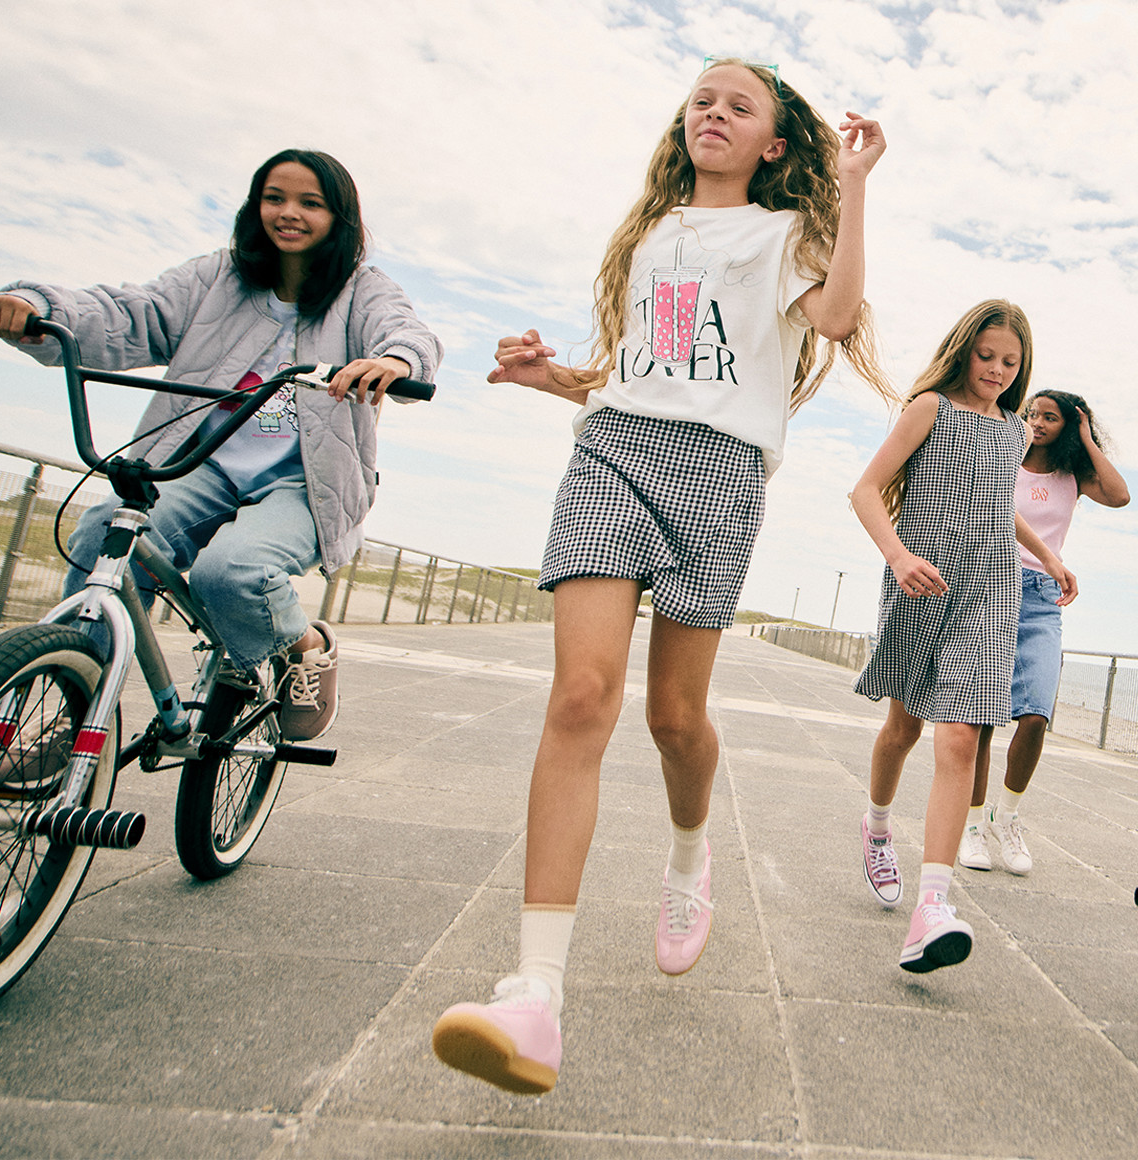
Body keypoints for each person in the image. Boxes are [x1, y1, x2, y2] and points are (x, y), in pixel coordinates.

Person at [431, 58, 895, 1094]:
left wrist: (855, 186)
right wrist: (548, 376)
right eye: (701, 101)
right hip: (613, 450)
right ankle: (533, 994)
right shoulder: (648, 236)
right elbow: (640, 368)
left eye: (739, 106)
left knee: (672, 717)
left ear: (774, 144)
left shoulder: (784, 237)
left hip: (719, 472)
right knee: (579, 695)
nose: (712, 113)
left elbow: (830, 320)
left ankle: (690, 858)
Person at [0, 149, 442, 741]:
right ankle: (75, 719)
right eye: (274, 198)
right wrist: (37, 307)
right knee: (103, 533)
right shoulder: (217, 278)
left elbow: (408, 333)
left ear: (340, 217)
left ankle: (306, 645)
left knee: (232, 572)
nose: (288, 213)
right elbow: (130, 313)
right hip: (202, 465)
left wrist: (393, 360)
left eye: (310, 203)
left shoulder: (363, 290)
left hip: (305, 481)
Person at [851, 300, 1077, 973]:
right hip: (923, 579)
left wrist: (1051, 557)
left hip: (991, 590)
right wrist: (897, 556)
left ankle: (934, 906)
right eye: (988, 357)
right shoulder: (928, 408)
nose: (998, 372)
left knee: (963, 736)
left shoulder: (1012, 430)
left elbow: (995, 508)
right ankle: (878, 826)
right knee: (905, 727)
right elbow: (866, 489)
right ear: (964, 350)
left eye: (1011, 363)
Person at [960, 392, 1129, 874]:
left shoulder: (1072, 477)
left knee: (1035, 714)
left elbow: (1120, 495)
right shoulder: (1003, 456)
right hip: (991, 586)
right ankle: (972, 824)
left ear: (1069, 427)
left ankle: (1006, 816)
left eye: (1049, 418)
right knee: (983, 717)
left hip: (1042, 600)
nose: (1036, 422)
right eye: (1032, 413)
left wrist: (1086, 440)